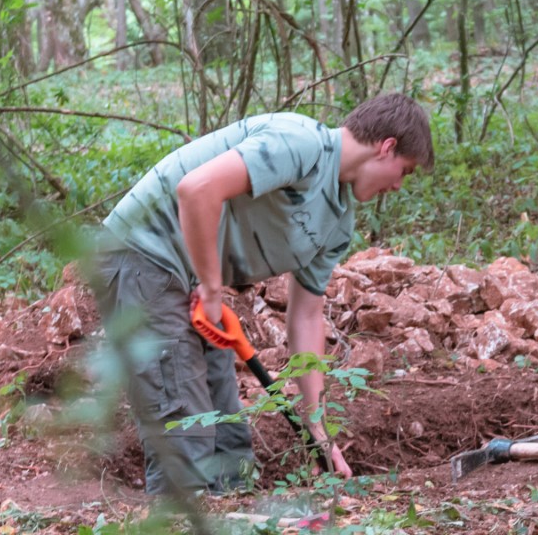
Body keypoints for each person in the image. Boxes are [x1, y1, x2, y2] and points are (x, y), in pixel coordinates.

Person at [91, 93, 434, 495]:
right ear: (387, 146)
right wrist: (213, 286)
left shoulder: (338, 221)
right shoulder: (301, 142)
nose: (396, 186)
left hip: (190, 279)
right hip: (143, 254)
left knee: (229, 442)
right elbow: (196, 189)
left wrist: (318, 428)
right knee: (185, 430)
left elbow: (306, 317)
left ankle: (230, 511)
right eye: (404, 171)